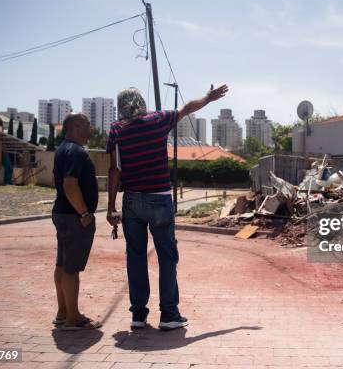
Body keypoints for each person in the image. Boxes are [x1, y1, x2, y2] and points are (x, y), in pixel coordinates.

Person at [106, 84, 228, 330]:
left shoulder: (116, 129)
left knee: (136, 257)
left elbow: (114, 170)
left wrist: (110, 207)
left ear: (121, 107)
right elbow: (186, 108)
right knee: (167, 256)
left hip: (131, 200)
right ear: (141, 101)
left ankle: (138, 314)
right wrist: (209, 97)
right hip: (159, 199)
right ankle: (169, 314)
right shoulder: (159, 119)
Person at [51, 113, 101, 330]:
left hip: (62, 213)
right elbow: (70, 185)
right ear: (77, 125)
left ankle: (62, 312)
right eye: (88, 124)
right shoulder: (76, 152)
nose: (91, 128)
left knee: (62, 264)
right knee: (71, 268)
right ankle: (73, 316)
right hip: (74, 218)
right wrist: (84, 214)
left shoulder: (63, 149)